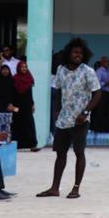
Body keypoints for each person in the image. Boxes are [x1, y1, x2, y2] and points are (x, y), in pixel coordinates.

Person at [37, 38, 101, 199]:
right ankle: (54, 188)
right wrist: (57, 109)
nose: (77, 55)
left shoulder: (88, 71)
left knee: (79, 153)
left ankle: (76, 188)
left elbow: (97, 93)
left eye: (80, 52)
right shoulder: (60, 69)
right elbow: (57, 90)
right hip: (63, 120)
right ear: (68, 53)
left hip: (80, 119)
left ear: (84, 54)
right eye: (74, 52)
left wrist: (86, 112)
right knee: (60, 154)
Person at [11, 61, 39, 151]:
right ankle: (17, 145)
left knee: (29, 124)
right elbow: (11, 94)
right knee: (17, 123)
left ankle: (32, 145)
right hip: (17, 106)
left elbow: (30, 93)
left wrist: (32, 104)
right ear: (18, 68)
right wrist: (11, 105)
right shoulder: (14, 79)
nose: (24, 68)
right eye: (22, 67)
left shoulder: (29, 78)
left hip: (27, 106)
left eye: (25, 67)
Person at [93, 56, 109, 132]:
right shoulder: (99, 71)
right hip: (101, 93)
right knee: (100, 111)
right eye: (106, 61)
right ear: (102, 62)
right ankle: (99, 129)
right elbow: (97, 83)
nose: (108, 63)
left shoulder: (108, 71)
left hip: (108, 93)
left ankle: (107, 128)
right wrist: (106, 83)